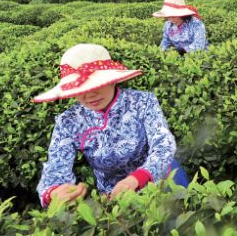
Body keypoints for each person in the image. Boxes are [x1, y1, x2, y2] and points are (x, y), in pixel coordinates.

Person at [34, 43, 189, 207]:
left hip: (160, 176)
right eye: (79, 88)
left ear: (112, 80)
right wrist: (54, 191)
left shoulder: (143, 102)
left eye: (96, 85)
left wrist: (138, 178)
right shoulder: (69, 121)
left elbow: (163, 145)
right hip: (114, 194)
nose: (89, 94)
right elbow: (56, 166)